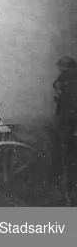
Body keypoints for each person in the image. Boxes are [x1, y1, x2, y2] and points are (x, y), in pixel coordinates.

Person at [54, 56, 77, 202]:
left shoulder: (72, 84)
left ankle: (69, 193)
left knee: (69, 157)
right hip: (66, 119)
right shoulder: (65, 79)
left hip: (70, 121)